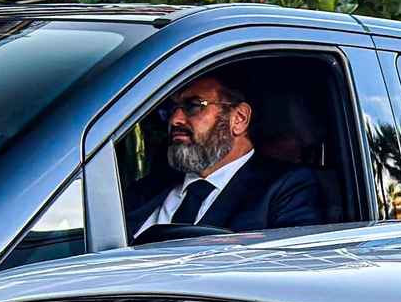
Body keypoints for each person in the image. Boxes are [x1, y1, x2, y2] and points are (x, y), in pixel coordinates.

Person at [124, 73, 331, 239]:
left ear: (239, 119)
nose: (175, 119)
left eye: (193, 106)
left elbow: (290, 268)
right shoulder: (145, 189)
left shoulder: (286, 188)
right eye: (172, 109)